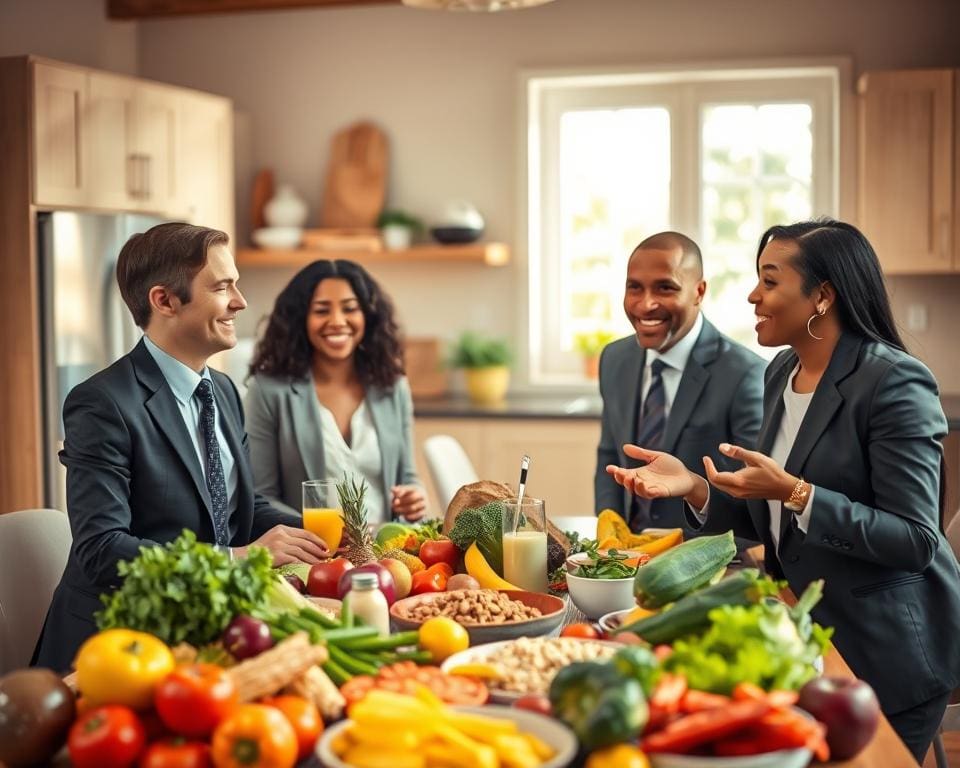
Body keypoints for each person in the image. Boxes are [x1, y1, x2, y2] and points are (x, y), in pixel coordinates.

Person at [606, 218, 960, 762]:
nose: (753, 295)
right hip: (808, 633)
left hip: (884, 647)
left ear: (822, 296)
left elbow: (914, 539)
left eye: (770, 281)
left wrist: (798, 492)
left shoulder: (895, 383)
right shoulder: (782, 373)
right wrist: (697, 488)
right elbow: (768, 519)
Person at [34, 223, 329, 673]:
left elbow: (236, 508)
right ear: (164, 301)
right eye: (222, 287)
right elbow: (103, 550)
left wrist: (320, 532)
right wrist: (238, 557)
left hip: (200, 637)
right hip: (117, 651)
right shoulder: (102, 403)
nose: (240, 302)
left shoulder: (224, 391)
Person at [595, 231, 765, 533]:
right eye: (635, 288)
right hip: (625, 557)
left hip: (705, 558)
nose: (645, 304)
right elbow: (609, 453)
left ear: (698, 292)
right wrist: (611, 535)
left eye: (665, 288)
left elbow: (758, 498)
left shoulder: (746, 375)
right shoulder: (614, 359)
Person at [244, 259, 426, 524]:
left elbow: (408, 478)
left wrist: (415, 497)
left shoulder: (392, 386)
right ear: (300, 319)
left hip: (388, 553)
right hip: (310, 555)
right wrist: (319, 531)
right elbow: (261, 496)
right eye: (321, 310)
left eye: (350, 308)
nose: (338, 321)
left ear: (368, 316)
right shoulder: (269, 391)